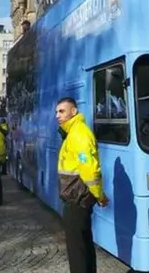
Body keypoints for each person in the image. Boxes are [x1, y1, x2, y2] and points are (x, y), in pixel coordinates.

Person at [55, 97, 108, 273]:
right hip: (79, 197)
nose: (58, 115)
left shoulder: (78, 133)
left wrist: (99, 195)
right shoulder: (74, 132)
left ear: (74, 111)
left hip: (77, 198)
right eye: (57, 112)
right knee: (83, 242)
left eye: (62, 111)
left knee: (76, 248)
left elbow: (89, 169)